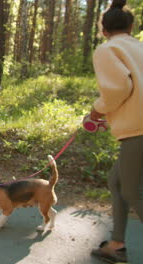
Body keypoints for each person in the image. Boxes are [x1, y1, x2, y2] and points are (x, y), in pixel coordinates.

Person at [89, 0, 143, 263]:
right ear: (131, 27)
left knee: (134, 191)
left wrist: (97, 110)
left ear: (103, 30)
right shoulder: (139, 47)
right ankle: (116, 244)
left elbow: (118, 88)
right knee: (117, 181)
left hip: (139, 129)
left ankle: (117, 243)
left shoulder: (107, 49)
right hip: (137, 129)